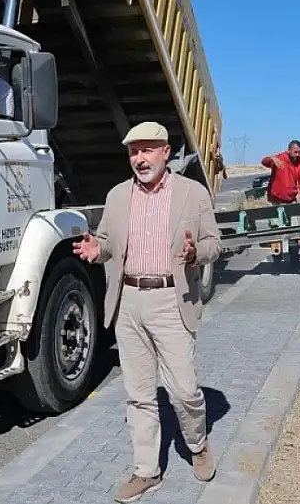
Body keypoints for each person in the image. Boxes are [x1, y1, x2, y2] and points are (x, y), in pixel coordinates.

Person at [72, 121, 220, 502]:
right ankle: (146, 471)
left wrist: (194, 254)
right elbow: (106, 241)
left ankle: (197, 444)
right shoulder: (118, 195)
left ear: (165, 152)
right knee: (138, 394)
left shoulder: (192, 193)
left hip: (171, 301)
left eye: (147, 150)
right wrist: (96, 249)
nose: (140, 159)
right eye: (134, 152)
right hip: (128, 302)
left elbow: (214, 243)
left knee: (184, 391)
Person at [261, 140, 300, 205]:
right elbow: (264, 162)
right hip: (274, 201)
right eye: (295, 152)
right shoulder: (280, 158)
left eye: (299, 152)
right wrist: (271, 159)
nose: (297, 154)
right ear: (289, 150)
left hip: (291, 201)